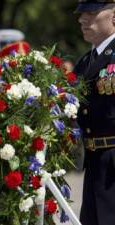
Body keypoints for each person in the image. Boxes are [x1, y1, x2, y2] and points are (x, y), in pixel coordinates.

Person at [74, 1, 115, 224]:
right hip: (94, 162)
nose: (82, 19)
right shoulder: (84, 62)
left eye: (91, 12)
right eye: (81, 14)